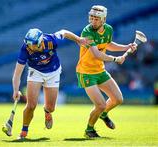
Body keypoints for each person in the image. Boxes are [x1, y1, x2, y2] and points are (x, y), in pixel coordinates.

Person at [12, 28, 88, 139]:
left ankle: (47, 112)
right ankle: (24, 131)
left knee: (51, 108)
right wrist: (15, 90)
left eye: (31, 44)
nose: (29, 46)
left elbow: (64, 32)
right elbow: (17, 73)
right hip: (36, 72)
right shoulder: (25, 49)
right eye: (27, 43)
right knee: (31, 105)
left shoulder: (51, 40)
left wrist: (78, 39)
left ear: (39, 42)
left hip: (53, 72)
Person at [76, 5, 137, 138]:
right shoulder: (87, 32)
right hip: (86, 72)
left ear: (103, 19)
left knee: (118, 99)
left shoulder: (108, 29)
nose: (93, 21)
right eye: (91, 18)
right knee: (100, 104)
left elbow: (108, 44)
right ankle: (89, 130)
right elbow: (97, 54)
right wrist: (116, 59)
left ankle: (103, 114)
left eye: (96, 19)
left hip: (100, 70)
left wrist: (126, 47)